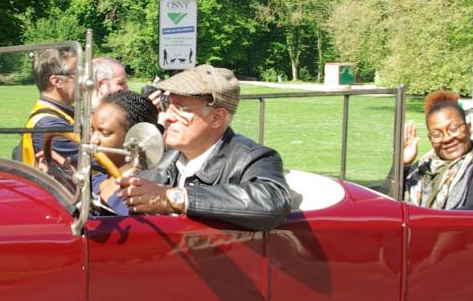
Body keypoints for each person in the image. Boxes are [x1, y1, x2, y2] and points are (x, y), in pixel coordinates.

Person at [117, 64, 290, 231]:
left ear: (217, 117)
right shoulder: (163, 158)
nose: (167, 116)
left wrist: (173, 197)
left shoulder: (252, 158)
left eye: (180, 107)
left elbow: (272, 200)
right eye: (167, 104)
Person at [401, 90, 473, 210]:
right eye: (437, 134)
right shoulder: (422, 168)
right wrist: (402, 165)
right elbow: (386, 200)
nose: (447, 138)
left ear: (469, 129)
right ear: (430, 140)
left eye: (454, 129)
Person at [89, 90, 160, 215]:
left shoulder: (138, 194)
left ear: (136, 138)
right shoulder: (96, 180)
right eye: (92, 130)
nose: (93, 141)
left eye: (105, 133)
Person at [15, 45, 78, 171]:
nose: (85, 79)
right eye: (77, 73)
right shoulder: (49, 125)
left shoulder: (60, 113)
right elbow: (98, 160)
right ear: (57, 81)